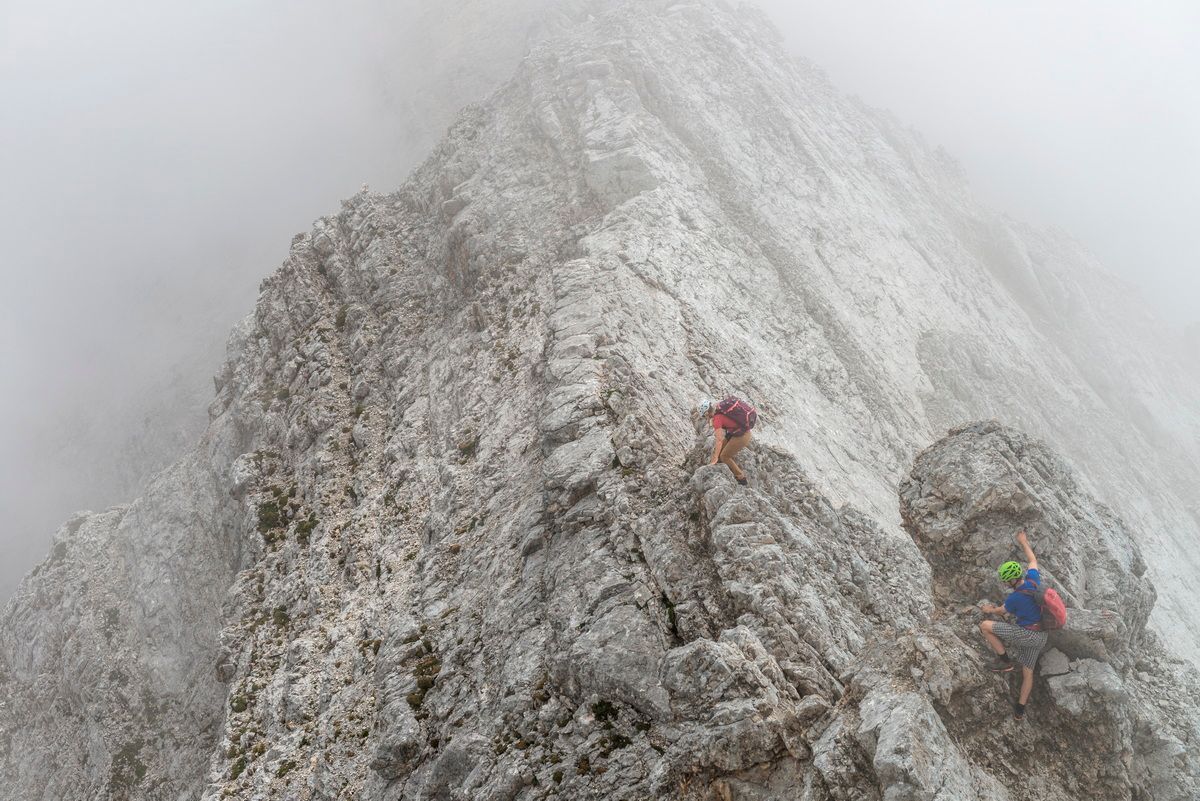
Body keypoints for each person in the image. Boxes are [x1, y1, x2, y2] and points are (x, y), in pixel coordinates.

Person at [978, 530, 1049, 721]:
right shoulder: (1033, 579)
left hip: (1027, 635)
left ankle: (1005, 662)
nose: (1005, 583)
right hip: (1041, 636)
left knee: (985, 626)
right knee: (1028, 673)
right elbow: (1032, 560)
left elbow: (1001, 611)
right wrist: (1023, 541)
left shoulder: (1015, 598)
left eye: (1006, 580)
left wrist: (988, 609)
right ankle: (1020, 711)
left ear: (1011, 579)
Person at [698, 397, 752, 485]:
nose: (705, 418)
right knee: (719, 452)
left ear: (707, 412)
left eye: (704, 415)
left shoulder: (717, 419)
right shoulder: (718, 408)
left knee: (724, 456)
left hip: (742, 436)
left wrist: (715, 458)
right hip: (737, 433)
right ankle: (719, 468)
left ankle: (741, 477)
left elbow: (719, 440)